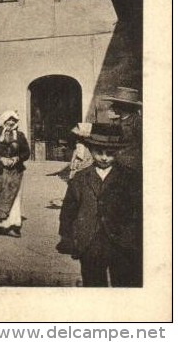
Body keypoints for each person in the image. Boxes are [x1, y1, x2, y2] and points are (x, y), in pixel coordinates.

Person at [57, 123, 142, 287]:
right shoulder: (80, 179)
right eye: (99, 152)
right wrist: (67, 236)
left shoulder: (130, 178)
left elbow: (138, 212)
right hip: (90, 242)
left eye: (110, 154)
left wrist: (137, 239)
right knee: (94, 284)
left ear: (118, 152)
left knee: (125, 284)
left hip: (122, 243)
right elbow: (68, 210)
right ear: (90, 150)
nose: (104, 157)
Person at [0, 110, 31, 237]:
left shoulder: (20, 135)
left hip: (16, 171)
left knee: (13, 198)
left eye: (14, 120)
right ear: (3, 121)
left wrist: (17, 158)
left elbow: (26, 152)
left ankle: (12, 225)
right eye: (8, 120)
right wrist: (1, 159)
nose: (11, 122)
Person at [102, 87, 142, 170]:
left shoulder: (137, 121)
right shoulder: (116, 121)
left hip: (131, 165)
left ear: (124, 106)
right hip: (116, 163)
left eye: (115, 104)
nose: (112, 106)